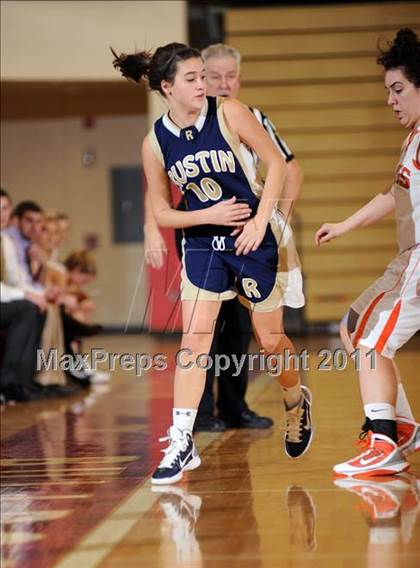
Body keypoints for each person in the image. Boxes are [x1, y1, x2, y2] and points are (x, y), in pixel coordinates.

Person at [113, 41, 313, 485]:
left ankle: (296, 399)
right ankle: (182, 439)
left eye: (203, 75)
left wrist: (263, 221)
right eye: (192, 78)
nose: (203, 84)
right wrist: (206, 217)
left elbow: (278, 165)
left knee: (270, 338)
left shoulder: (229, 113)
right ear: (167, 87)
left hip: (252, 237)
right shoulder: (154, 143)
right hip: (204, 242)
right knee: (194, 340)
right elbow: (163, 212)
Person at [315, 28, 420, 476]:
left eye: (398, 90)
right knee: (353, 327)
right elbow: (391, 196)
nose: (391, 100)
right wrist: (344, 225)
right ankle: (401, 428)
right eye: (387, 92)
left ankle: (382, 443)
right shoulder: (412, 138)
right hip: (405, 259)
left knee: (371, 342)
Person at [0, 189, 48, 402]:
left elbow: (15, 280)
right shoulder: (9, 241)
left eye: (4, 208)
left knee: (36, 308)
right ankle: (8, 382)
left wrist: (37, 295)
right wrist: (28, 295)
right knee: (26, 308)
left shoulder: (5, 242)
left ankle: (23, 381)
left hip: (5, 296)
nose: (1, 214)